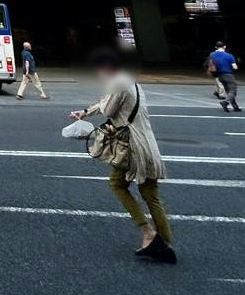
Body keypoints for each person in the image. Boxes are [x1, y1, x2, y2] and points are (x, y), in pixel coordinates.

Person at [71, 48, 176, 262]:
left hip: (132, 146)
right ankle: (164, 243)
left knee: (117, 184)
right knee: (150, 194)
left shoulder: (117, 82)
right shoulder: (130, 81)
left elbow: (109, 110)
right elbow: (112, 105)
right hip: (147, 143)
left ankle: (148, 232)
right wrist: (86, 112)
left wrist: (101, 95)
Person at [207, 42, 240, 112]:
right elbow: (235, 67)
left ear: (216, 47)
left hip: (219, 75)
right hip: (228, 74)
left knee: (228, 91)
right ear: (224, 46)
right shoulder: (229, 56)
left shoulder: (212, 54)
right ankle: (225, 102)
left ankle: (235, 107)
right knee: (233, 91)